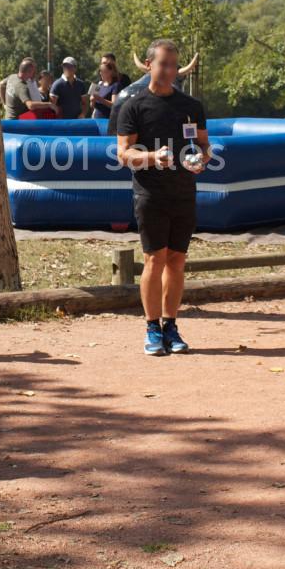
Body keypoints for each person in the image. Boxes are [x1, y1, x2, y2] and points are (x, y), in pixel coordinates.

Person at [116, 38, 209, 356]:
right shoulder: (134, 106)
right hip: (150, 194)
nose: (170, 70)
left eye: (174, 64)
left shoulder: (191, 107)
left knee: (177, 260)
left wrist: (202, 161)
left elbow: (204, 146)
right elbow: (123, 154)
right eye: (163, 64)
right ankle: (152, 328)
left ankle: (171, 325)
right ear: (148, 65)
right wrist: (154, 157)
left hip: (184, 194)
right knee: (155, 260)